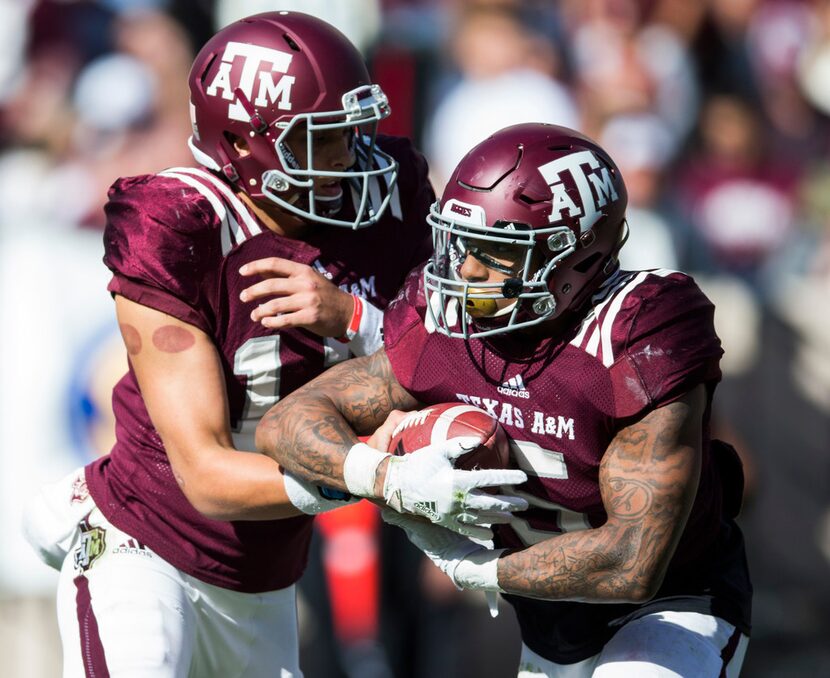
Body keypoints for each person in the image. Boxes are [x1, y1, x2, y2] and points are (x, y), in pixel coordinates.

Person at [21, 12, 525, 677]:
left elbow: (458, 362)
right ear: (245, 144)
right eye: (325, 141)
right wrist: (381, 479)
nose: (354, 157)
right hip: (142, 548)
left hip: (261, 578)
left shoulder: (385, 201)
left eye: (355, 129)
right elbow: (205, 473)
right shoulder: (182, 225)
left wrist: (354, 317)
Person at [253, 122, 753, 676]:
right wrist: (379, 476)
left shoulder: (635, 332)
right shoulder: (444, 322)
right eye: (464, 245)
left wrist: (482, 570)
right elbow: (285, 423)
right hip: (548, 619)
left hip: (669, 605)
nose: (466, 271)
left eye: (496, 252)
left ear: (576, 258)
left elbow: (632, 563)